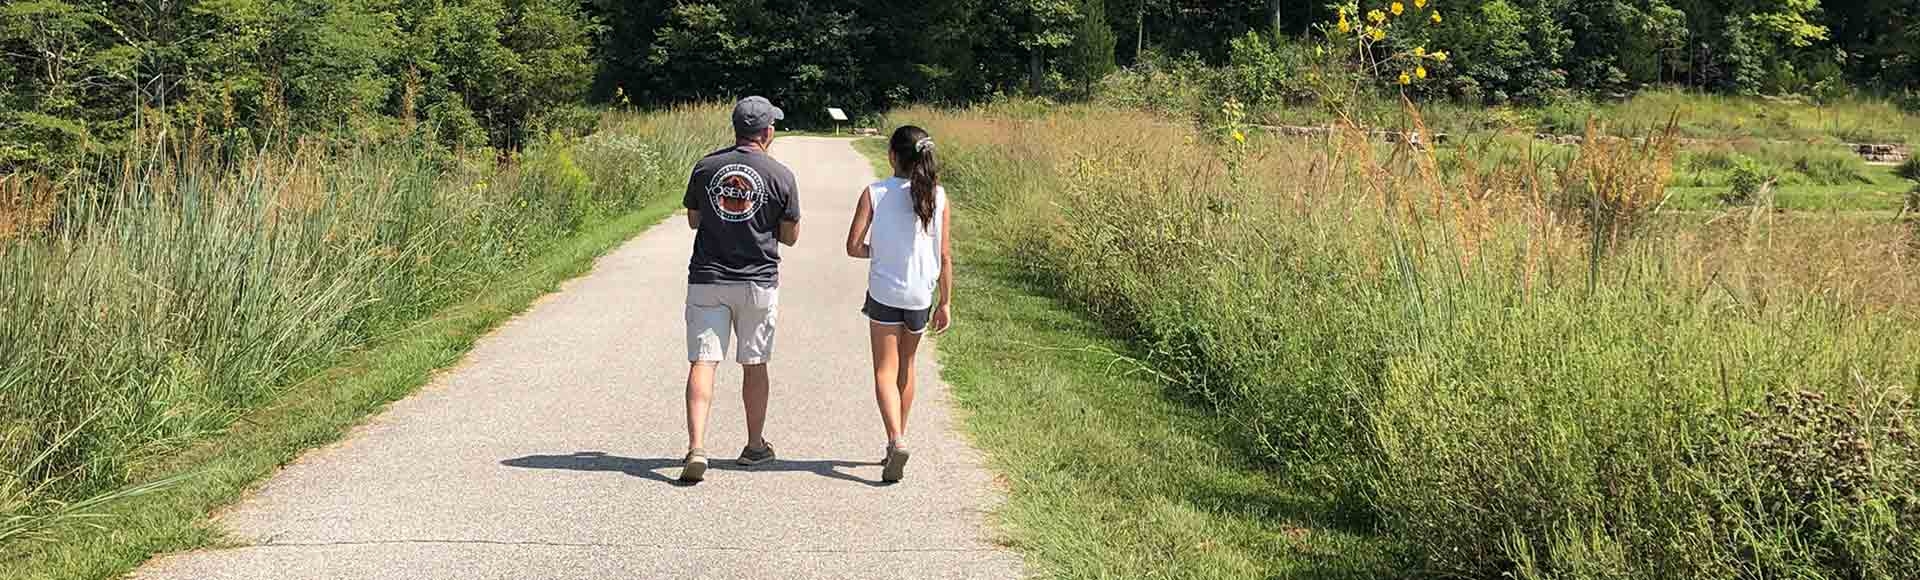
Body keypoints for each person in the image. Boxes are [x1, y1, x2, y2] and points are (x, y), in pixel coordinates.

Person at [678, 96, 800, 483]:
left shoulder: (706, 166)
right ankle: (754, 445)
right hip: (756, 280)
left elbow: (694, 220)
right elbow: (791, 236)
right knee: (754, 362)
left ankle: (697, 447)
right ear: (767, 131)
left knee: (703, 360)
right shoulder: (780, 175)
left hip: (707, 278)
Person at [843, 125, 952, 483]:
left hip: (885, 293)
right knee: (907, 366)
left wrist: (880, 251)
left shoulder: (875, 193)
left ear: (892, 156)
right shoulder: (938, 196)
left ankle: (895, 439)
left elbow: (854, 246)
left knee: (884, 371)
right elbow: (946, 255)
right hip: (922, 295)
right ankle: (898, 438)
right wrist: (945, 303)